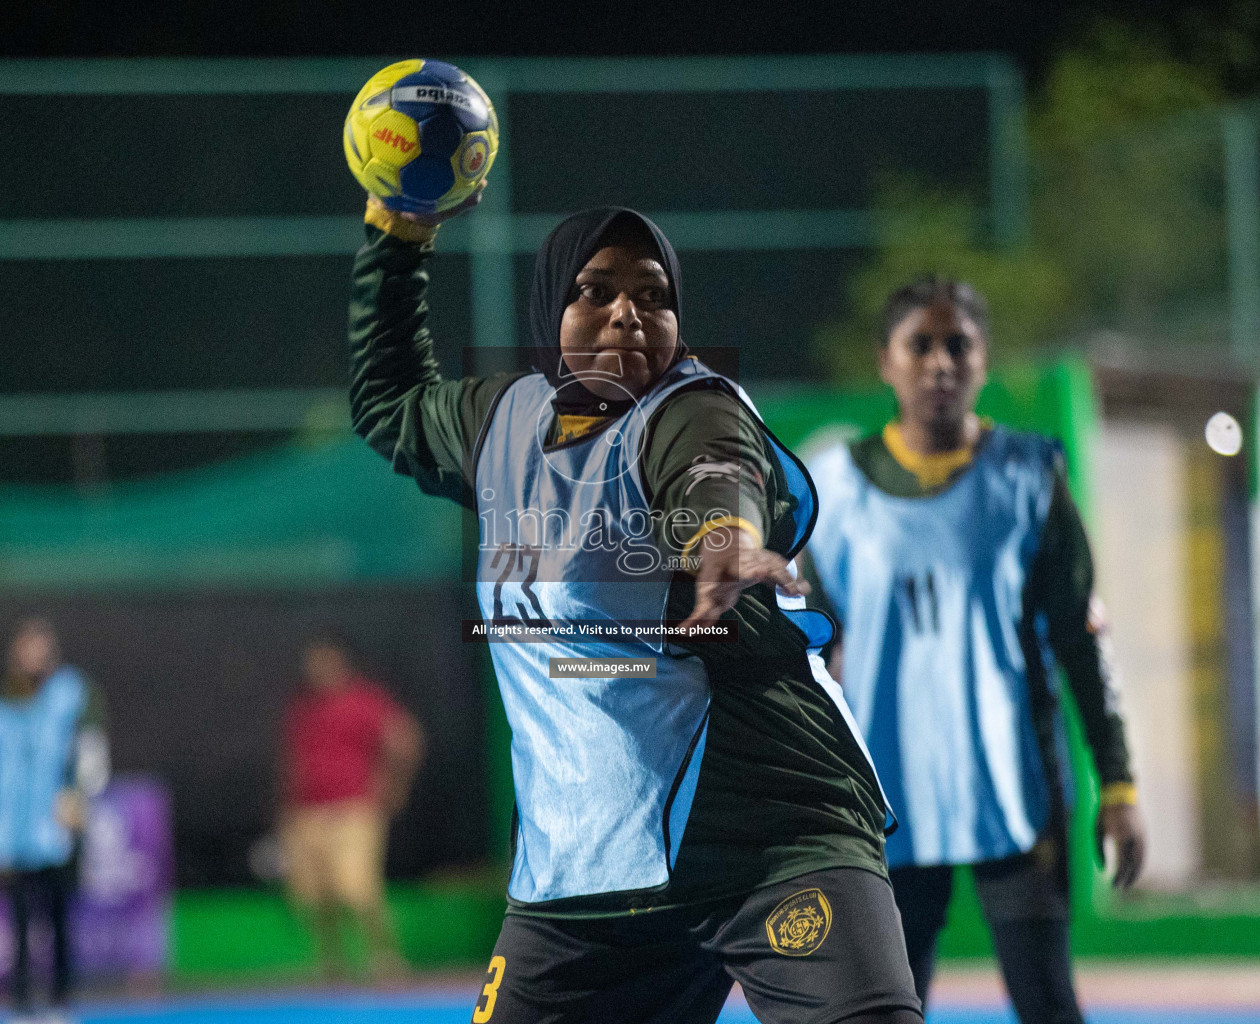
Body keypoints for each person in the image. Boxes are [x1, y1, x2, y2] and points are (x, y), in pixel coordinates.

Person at [347, 182, 922, 1024]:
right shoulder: (498, 423)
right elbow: (387, 399)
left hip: (764, 832)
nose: (627, 313)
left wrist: (722, 535)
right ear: (552, 305)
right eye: (597, 291)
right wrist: (398, 234)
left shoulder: (689, 407)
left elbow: (713, 469)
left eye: (654, 297)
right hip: (584, 870)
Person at [801, 275, 1147, 1024]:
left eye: (958, 345)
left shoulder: (1030, 477)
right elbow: (805, 671)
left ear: (983, 361)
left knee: (1049, 1005)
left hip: (1014, 797)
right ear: (885, 361)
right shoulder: (829, 495)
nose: (939, 363)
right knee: (883, 1012)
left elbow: (1084, 647)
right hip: (884, 802)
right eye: (918, 345)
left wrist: (1117, 786)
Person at [0, 618, 108, 1024]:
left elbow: (91, 749)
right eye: (27, 647)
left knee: (58, 918)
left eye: (42, 647)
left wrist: (79, 793)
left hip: (57, 828)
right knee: (19, 923)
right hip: (11, 834)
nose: (34, 656)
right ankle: (21, 1006)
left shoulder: (72, 693)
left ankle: (60, 1003)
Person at [279, 638, 424, 980]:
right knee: (313, 897)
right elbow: (291, 762)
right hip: (305, 812)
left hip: (354, 810)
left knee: (357, 889)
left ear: (340, 664)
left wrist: (394, 788)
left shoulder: (365, 701)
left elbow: (405, 740)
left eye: (323, 661)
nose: (316, 670)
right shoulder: (303, 707)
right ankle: (332, 964)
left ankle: (386, 958)